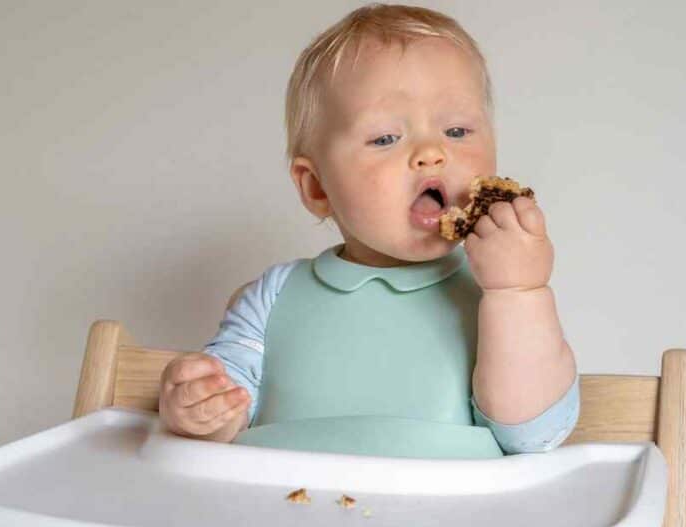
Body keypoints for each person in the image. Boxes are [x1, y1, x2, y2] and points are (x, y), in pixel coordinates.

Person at [158, 3, 579, 457]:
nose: (432, 152)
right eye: (384, 138)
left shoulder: (495, 294)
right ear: (318, 186)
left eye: (457, 130)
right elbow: (229, 409)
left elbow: (531, 436)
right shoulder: (274, 299)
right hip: (289, 512)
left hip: (448, 519)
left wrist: (518, 294)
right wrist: (201, 408)